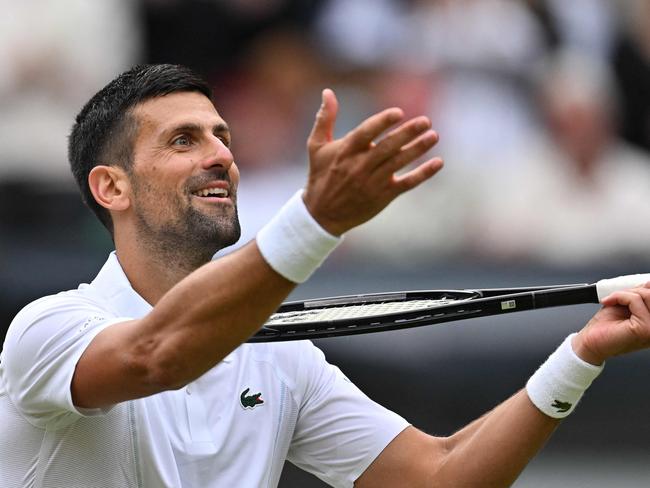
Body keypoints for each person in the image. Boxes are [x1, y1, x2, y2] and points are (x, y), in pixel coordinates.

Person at [1, 64, 649, 488]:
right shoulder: (49, 329)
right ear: (111, 186)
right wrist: (315, 221)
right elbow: (157, 355)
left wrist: (581, 354)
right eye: (184, 140)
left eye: (223, 137)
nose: (221, 155)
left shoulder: (287, 362)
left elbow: (440, 476)